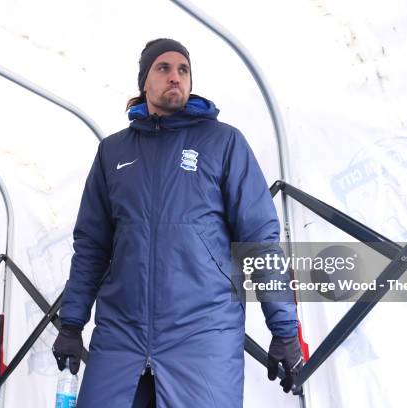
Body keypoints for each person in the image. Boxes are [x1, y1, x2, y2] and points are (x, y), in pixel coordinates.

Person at [52, 38, 303, 408]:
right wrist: (71, 324)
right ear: (144, 82)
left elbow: (259, 241)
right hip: (120, 340)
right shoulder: (113, 152)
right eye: (164, 68)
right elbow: (91, 245)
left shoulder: (224, 142)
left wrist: (284, 330)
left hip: (203, 338)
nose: (175, 77)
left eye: (183, 70)